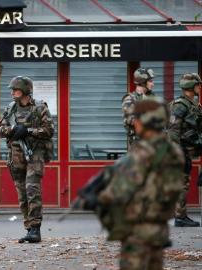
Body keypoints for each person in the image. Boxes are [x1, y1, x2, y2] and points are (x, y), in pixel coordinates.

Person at [76, 98, 185, 269]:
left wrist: (94, 198)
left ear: (146, 121)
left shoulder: (143, 153)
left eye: (137, 119)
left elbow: (120, 191)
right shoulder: (173, 150)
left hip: (138, 231)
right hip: (158, 230)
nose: (134, 124)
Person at [0, 76, 54, 243]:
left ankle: (36, 229)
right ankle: (29, 228)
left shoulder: (39, 108)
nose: (12, 93)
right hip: (16, 155)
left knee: (32, 189)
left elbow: (49, 130)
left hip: (34, 153)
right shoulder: (10, 109)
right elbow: (0, 129)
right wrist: (13, 130)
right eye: (12, 90)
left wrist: (28, 131)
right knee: (22, 194)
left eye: (15, 90)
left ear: (25, 91)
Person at [168, 73, 202, 227]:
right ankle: (180, 217)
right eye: (197, 85)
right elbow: (173, 129)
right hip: (181, 149)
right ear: (190, 86)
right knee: (182, 182)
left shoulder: (193, 104)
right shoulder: (180, 105)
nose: (199, 87)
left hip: (190, 148)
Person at [122, 68, 155, 147]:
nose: (153, 84)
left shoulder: (151, 98)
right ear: (142, 82)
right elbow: (131, 121)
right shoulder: (130, 99)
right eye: (150, 81)